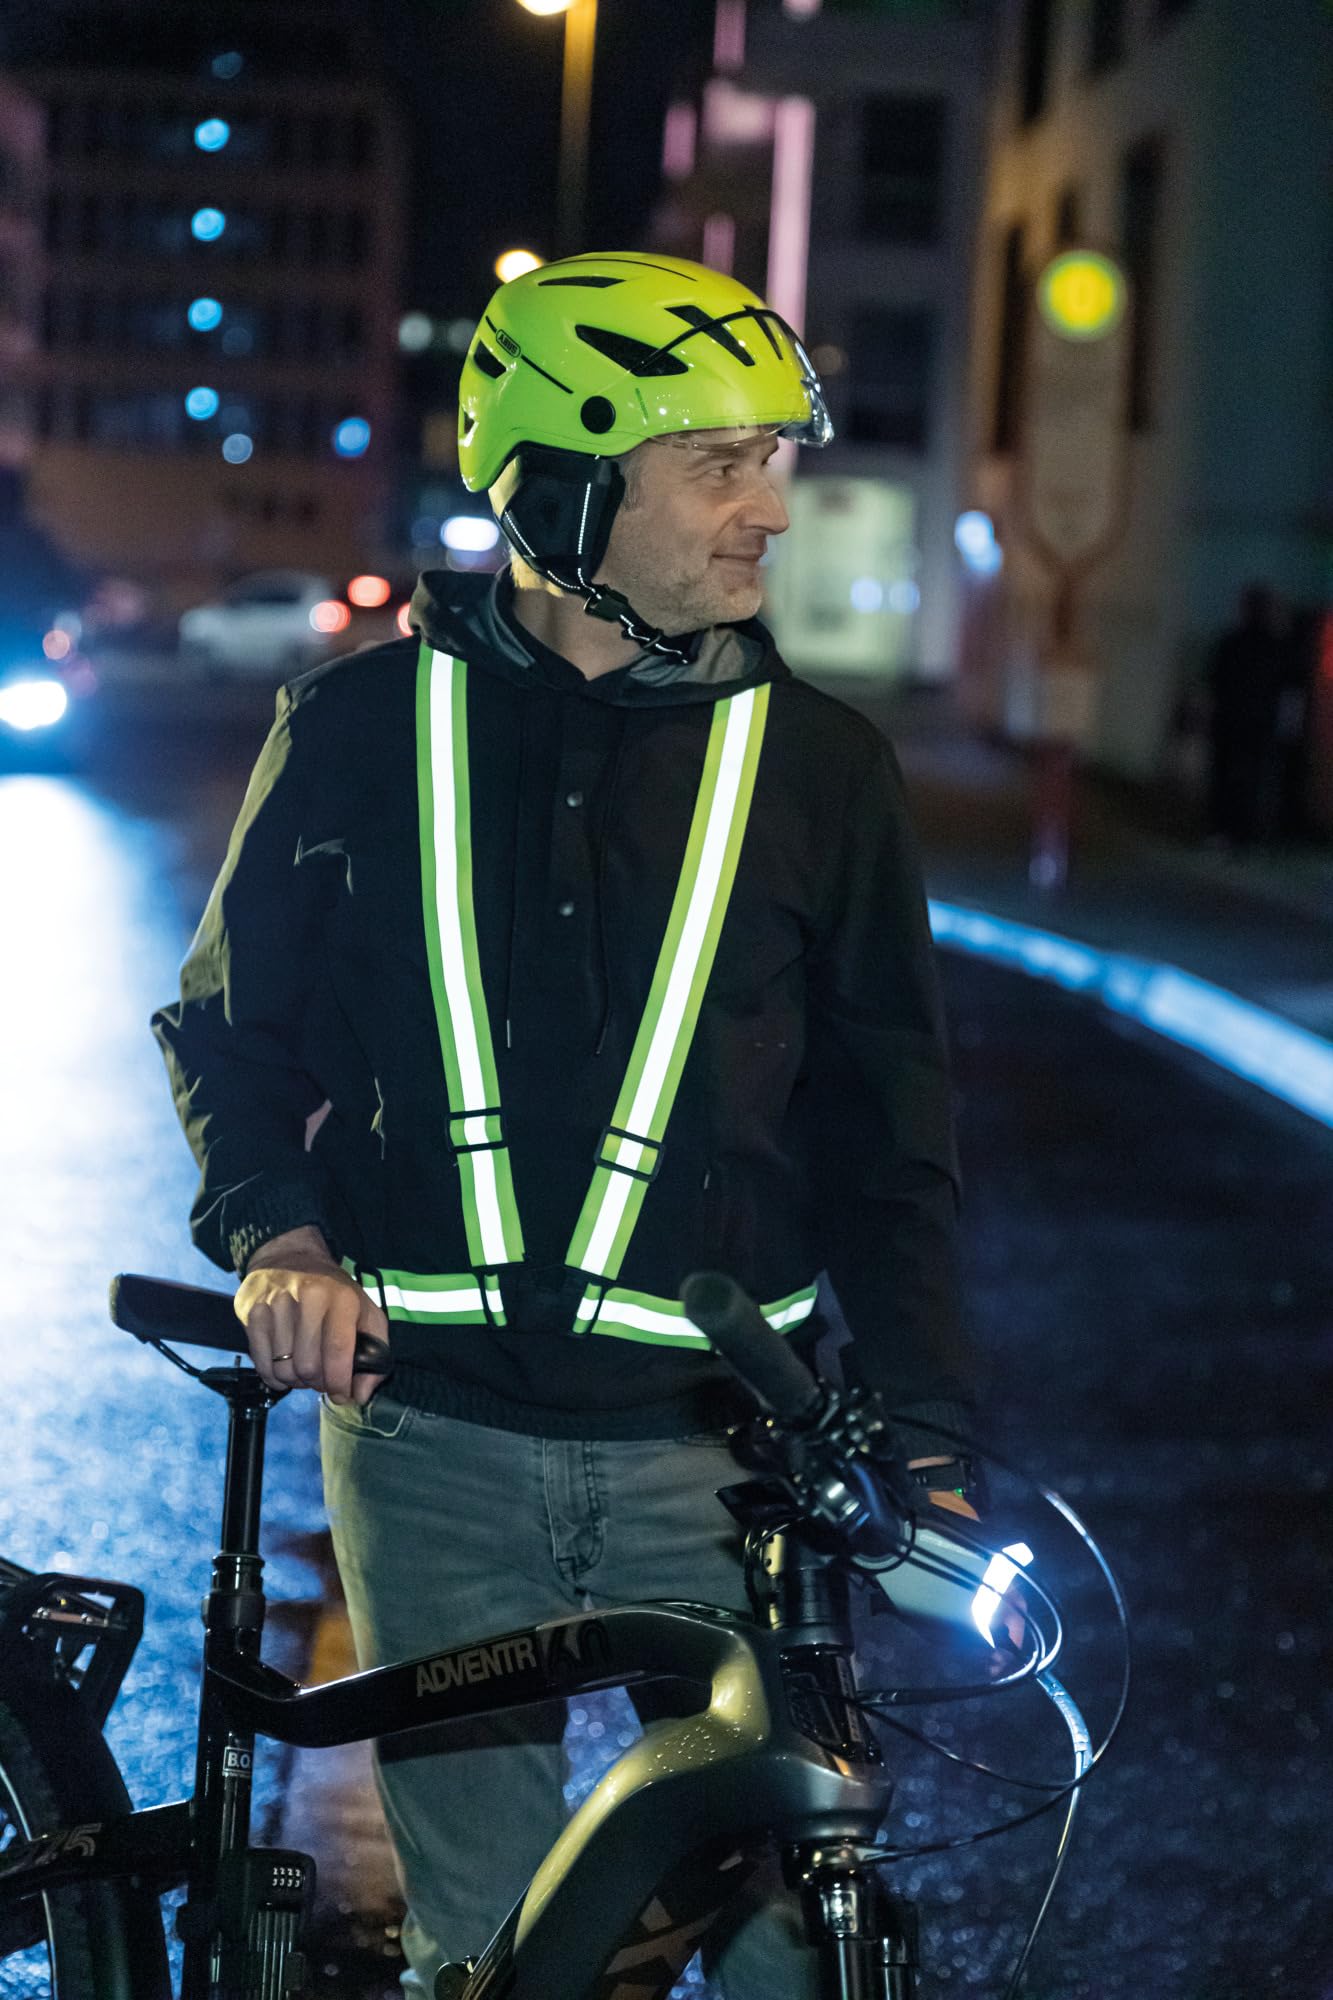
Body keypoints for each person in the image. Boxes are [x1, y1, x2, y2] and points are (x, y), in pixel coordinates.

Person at [153, 253, 979, 1997]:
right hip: (430, 1444)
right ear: (569, 485)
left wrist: (919, 1445)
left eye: (777, 456)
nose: (775, 504)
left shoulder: (821, 769)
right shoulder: (355, 728)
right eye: (722, 463)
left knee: (789, 1954)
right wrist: (278, 1239)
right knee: (496, 1960)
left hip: (720, 1458)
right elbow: (226, 1036)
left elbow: (890, 1138)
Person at [1204, 581, 1288, 848]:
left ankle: (1222, 830)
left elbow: (1214, 680)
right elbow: (1286, 687)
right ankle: (1242, 833)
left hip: (1230, 721)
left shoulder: (1232, 642)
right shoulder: (1276, 647)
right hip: (1258, 724)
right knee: (1249, 780)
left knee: (1225, 776)